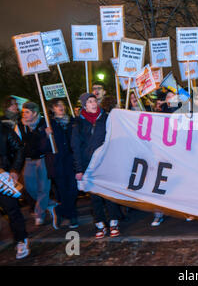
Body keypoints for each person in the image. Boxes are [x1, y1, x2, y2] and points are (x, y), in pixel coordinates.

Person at [71, 93, 121, 239]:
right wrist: (78, 169)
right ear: (84, 106)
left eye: (94, 101)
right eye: (89, 102)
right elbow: (76, 147)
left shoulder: (106, 118)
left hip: (106, 162)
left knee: (109, 193)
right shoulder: (78, 123)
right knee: (95, 197)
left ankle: (113, 222)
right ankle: (100, 223)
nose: (93, 104)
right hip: (88, 165)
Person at [17, 102, 58, 228]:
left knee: (43, 188)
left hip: (42, 159)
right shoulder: (20, 126)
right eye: (23, 112)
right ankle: (51, 204)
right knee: (30, 188)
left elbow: (41, 142)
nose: (24, 115)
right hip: (29, 160)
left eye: (27, 112)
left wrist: (46, 134)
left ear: (35, 113)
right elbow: (20, 144)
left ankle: (39, 215)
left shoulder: (43, 123)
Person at [45, 99, 79, 229]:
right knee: (64, 190)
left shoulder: (73, 122)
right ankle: (72, 216)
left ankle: (59, 211)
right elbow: (43, 147)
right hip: (58, 163)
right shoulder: (49, 124)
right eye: (57, 105)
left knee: (74, 189)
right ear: (52, 109)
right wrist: (46, 135)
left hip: (72, 160)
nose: (61, 107)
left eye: (62, 105)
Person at [0, 122, 30, 259]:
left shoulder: (4, 130)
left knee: (11, 210)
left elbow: (19, 148)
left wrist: (14, 169)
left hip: (3, 177)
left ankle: (21, 240)